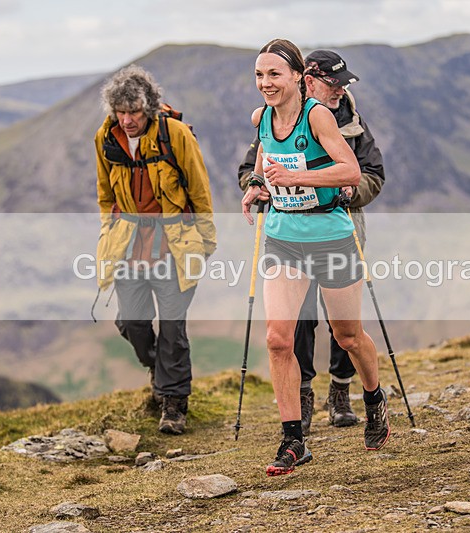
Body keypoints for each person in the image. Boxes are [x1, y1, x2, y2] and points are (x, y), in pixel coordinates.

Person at [241, 39, 390, 476]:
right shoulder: (261, 118)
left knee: (348, 337)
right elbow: (267, 156)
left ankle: (374, 397)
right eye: (259, 75)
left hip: (331, 237)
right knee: (277, 339)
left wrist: (296, 176)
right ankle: (293, 441)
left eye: (274, 74)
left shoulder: (318, 115)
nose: (266, 83)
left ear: (296, 78)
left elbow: (352, 171)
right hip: (284, 239)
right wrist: (257, 184)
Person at [94, 65, 217, 434]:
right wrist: (108, 233)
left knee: (173, 328)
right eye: (121, 112)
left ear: (148, 107)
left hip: (175, 245)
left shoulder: (175, 135)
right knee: (133, 322)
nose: (128, 120)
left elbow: (199, 190)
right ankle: (158, 368)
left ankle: (174, 406)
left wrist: (206, 242)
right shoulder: (105, 139)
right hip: (129, 245)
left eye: (134, 111)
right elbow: (105, 194)